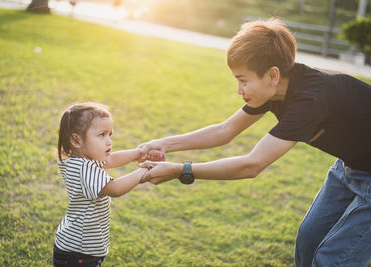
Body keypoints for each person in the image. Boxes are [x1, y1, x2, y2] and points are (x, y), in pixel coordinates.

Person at [138, 18, 371, 266]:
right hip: (352, 166)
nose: (239, 90)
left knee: (332, 259)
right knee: (308, 241)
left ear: (272, 75)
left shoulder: (309, 100)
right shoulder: (279, 87)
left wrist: (180, 170)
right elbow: (224, 130)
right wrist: (164, 144)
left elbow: (252, 165)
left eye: (243, 80)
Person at [53, 102, 163, 267]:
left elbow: (110, 159)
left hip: (79, 248)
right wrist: (144, 171)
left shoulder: (80, 160)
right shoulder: (84, 168)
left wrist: (137, 154)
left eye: (110, 134)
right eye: (102, 135)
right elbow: (115, 189)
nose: (109, 141)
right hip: (79, 252)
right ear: (76, 140)